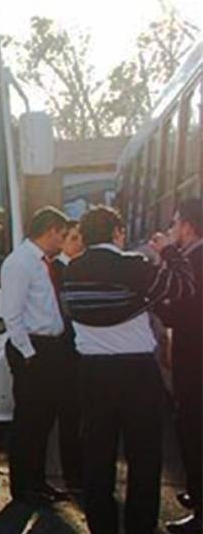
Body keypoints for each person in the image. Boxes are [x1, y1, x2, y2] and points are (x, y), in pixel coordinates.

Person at [62, 205, 195, 534]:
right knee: (144, 458)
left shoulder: (70, 271)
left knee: (97, 458)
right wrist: (169, 251)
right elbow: (183, 288)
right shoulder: (134, 266)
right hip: (136, 373)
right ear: (118, 233)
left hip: (92, 373)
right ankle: (139, 527)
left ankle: (102, 527)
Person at [1, 206, 70, 505]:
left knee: (44, 420)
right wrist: (28, 353)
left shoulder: (45, 263)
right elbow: (12, 314)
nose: (64, 241)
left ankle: (38, 481)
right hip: (31, 348)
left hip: (51, 348)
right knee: (28, 421)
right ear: (50, 230)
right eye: (62, 235)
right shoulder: (20, 263)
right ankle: (23, 487)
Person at [157, 198, 202, 534]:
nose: (171, 230)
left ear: (187, 226)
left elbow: (178, 310)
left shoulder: (193, 261)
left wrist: (155, 301)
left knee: (193, 430)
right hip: (191, 358)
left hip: (196, 363)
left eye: (174, 224)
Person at [52, 220, 85, 495]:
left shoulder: (79, 268)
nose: (78, 243)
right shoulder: (58, 270)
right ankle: (73, 474)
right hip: (65, 353)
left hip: (80, 352)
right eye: (72, 238)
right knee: (70, 415)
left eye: (81, 238)